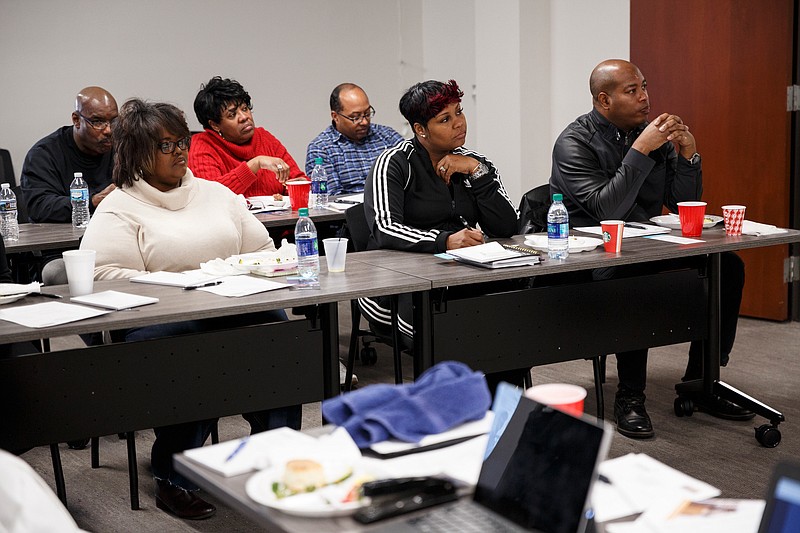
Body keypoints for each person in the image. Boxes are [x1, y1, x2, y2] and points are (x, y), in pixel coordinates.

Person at [80, 99, 301, 520]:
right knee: (192, 352)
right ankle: (173, 473)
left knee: (279, 335)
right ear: (136, 154)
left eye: (182, 141)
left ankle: (278, 456)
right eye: (166, 146)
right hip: (159, 319)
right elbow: (102, 275)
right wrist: (178, 285)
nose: (180, 151)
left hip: (229, 304)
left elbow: (261, 248)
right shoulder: (119, 206)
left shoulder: (215, 193)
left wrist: (237, 272)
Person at [549, 59, 751, 439]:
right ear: (604, 100)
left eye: (644, 87)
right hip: (590, 257)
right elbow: (605, 211)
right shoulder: (574, 143)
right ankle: (630, 397)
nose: (645, 97)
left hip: (646, 245)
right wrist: (640, 150)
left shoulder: (651, 135)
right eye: (633, 91)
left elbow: (681, 204)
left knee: (728, 266)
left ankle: (702, 381)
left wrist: (688, 155)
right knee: (633, 275)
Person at [361, 79, 518, 369]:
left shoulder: (476, 163)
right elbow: (384, 228)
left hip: (459, 278)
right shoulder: (394, 163)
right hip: (399, 288)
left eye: (459, 112)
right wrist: (444, 241)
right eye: (445, 119)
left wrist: (476, 172)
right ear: (420, 130)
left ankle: (499, 408)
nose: (459, 123)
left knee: (510, 325)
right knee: (452, 336)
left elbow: (507, 225)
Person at [188, 76, 306, 197]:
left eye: (245, 109)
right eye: (232, 115)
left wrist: (300, 186)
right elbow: (212, 196)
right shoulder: (201, 146)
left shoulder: (264, 138)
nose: (244, 117)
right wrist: (255, 164)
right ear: (214, 125)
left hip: (278, 216)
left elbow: (296, 179)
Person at [20, 86, 117, 223]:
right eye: (98, 122)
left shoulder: (122, 148)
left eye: (114, 121)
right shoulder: (43, 154)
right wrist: (93, 201)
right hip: (61, 239)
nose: (109, 130)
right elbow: (39, 206)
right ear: (76, 120)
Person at [305, 83, 403, 195]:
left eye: (367, 114)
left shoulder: (387, 136)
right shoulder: (321, 149)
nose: (364, 122)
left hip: (394, 205)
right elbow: (330, 198)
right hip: (351, 211)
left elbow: (414, 172)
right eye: (355, 117)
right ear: (335, 117)